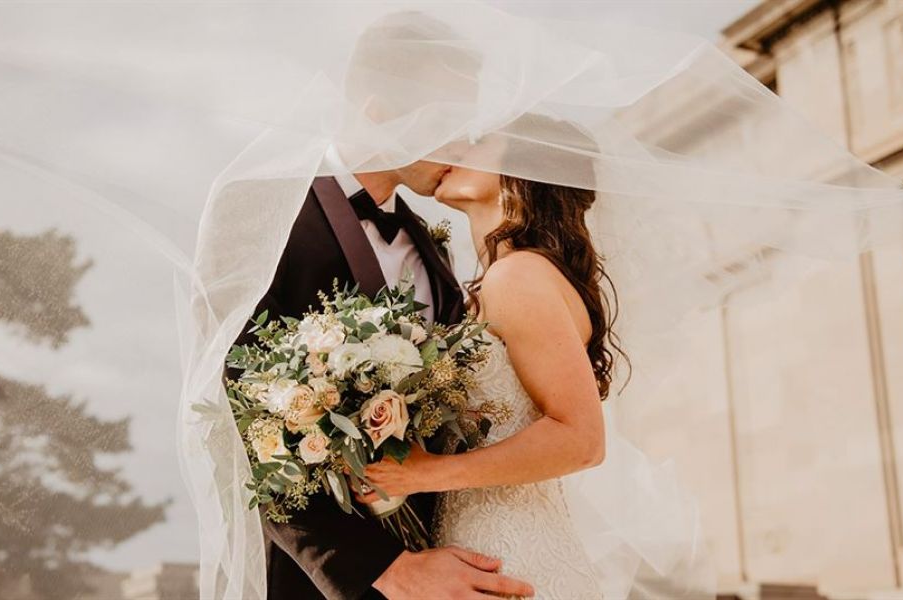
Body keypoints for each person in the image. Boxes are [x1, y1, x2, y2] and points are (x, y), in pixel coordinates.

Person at [231, 11, 535, 600]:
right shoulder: (261, 212)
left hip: (450, 562)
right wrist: (385, 571)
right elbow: (236, 419)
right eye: (447, 121)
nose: (461, 144)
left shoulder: (432, 249)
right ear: (378, 111)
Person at [362, 119, 620, 599]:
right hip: (476, 544)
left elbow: (582, 439)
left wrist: (422, 473)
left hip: (509, 551)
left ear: (523, 169)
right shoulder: (499, 279)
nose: (454, 146)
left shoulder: (518, 277)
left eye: (479, 142)